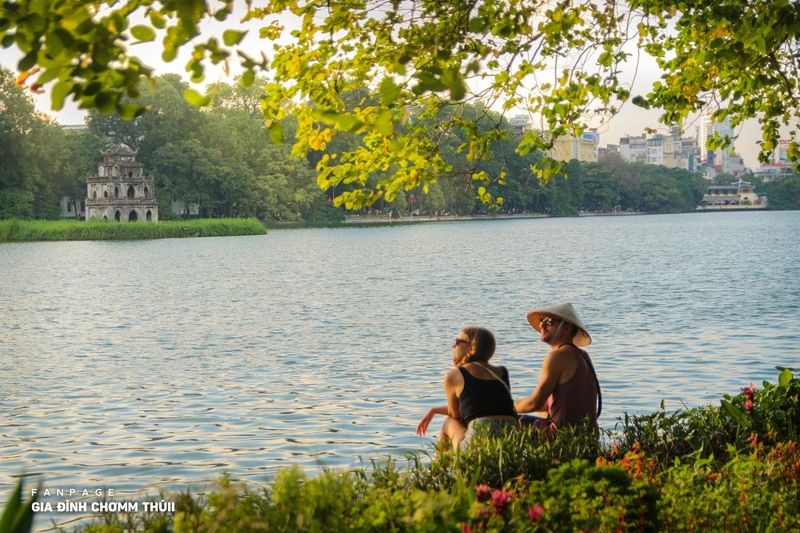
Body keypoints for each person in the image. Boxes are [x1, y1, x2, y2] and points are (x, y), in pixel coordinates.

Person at [416, 327, 518, 451]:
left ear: (471, 347)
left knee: (448, 422)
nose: (454, 346)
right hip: (509, 442)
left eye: (458, 342)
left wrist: (434, 411)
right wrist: (434, 410)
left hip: (477, 443)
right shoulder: (502, 372)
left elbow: (456, 414)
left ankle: (440, 468)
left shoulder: (454, 375)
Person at [514, 303, 601, 431]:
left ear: (566, 328)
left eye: (549, 322)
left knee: (501, 421)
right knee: (541, 414)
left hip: (564, 438)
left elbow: (535, 402)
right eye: (541, 320)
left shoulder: (558, 356)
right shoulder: (582, 355)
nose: (541, 325)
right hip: (586, 437)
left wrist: (506, 406)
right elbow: (548, 404)